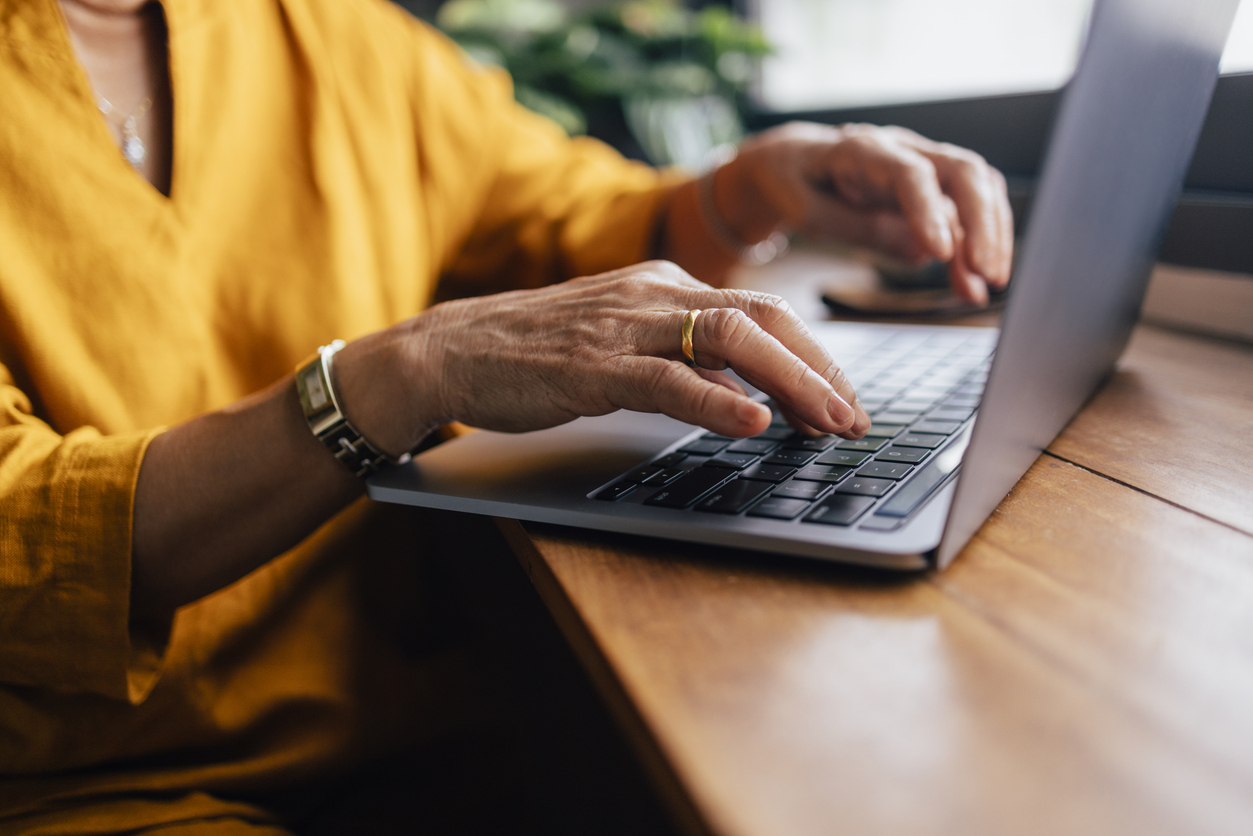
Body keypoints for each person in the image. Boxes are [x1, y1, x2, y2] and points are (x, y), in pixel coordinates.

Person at [0, 0, 1013, 832]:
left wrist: (747, 189)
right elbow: (23, 531)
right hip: (99, 787)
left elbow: (562, 223)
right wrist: (400, 373)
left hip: (436, 716)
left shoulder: (337, 35)